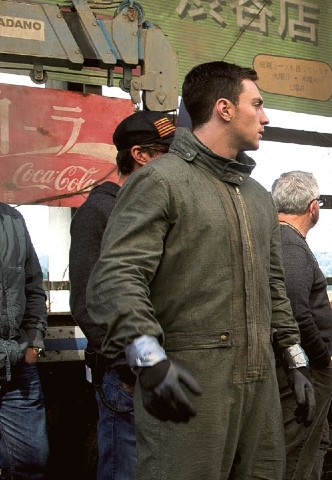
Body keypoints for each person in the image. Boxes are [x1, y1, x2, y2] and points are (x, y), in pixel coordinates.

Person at [86, 61, 315, 480]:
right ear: (224, 109)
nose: (266, 117)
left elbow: (274, 286)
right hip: (190, 384)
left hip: (259, 387)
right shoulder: (161, 181)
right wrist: (148, 359)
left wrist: (295, 358)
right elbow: (116, 278)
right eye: (258, 104)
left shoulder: (257, 197)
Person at [69, 110, 175, 480]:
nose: (176, 163)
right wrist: (128, 367)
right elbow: (86, 301)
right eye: (167, 152)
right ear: (140, 155)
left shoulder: (151, 209)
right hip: (127, 376)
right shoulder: (99, 212)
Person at [271, 171, 332, 480]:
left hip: (294, 366)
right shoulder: (291, 246)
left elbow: (290, 296)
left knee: (314, 440)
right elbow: (293, 311)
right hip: (302, 369)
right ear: (313, 207)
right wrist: (319, 357)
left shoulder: (278, 239)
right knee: (298, 450)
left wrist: (321, 308)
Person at [0, 202, 49, 479]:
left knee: (32, 462)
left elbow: (33, 286)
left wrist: (33, 342)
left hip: (17, 365)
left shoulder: (12, 219)